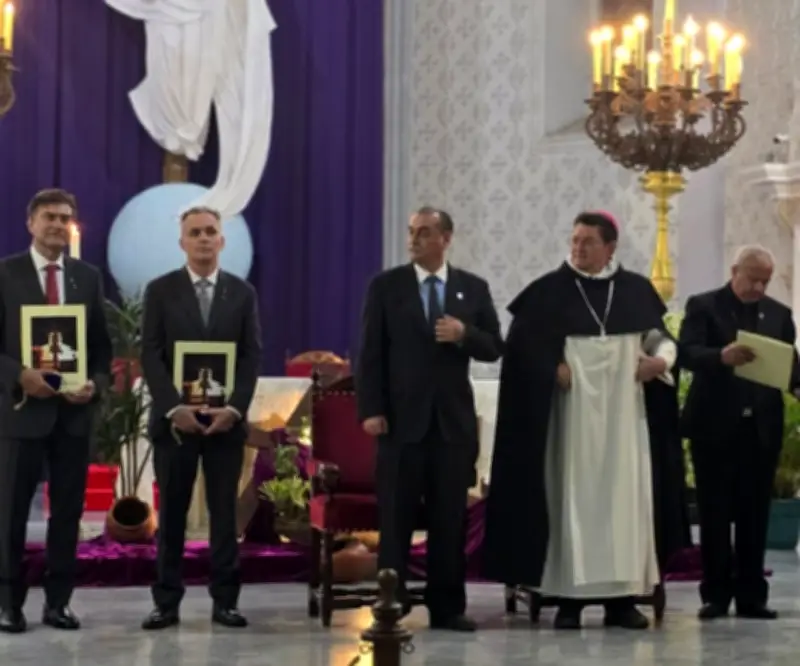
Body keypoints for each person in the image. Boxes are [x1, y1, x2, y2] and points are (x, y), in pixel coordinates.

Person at [482, 211, 689, 630]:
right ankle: (569, 600)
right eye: (575, 240)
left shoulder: (634, 290)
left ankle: (622, 600)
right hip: (570, 423)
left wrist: (660, 361)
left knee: (624, 503)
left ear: (610, 247)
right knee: (570, 500)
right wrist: (549, 367)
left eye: (588, 242)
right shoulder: (546, 292)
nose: (578, 247)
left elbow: (659, 338)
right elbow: (520, 349)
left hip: (624, 422)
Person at [355, 206, 503, 632]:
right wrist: (371, 410)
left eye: (424, 232)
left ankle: (447, 607)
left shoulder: (472, 289)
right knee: (396, 519)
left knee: (449, 520)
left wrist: (465, 335)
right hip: (400, 425)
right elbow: (370, 353)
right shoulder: (386, 287)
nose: (414, 240)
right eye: (411, 232)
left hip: (452, 427)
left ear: (446, 238)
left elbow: (495, 346)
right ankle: (390, 605)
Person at [139, 205, 261, 630]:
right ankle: (166, 602)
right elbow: (150, 353)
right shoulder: (160, 290)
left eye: (211, 231)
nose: (204, 239)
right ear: (183, 243)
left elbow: (251, 356)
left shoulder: (242, 293)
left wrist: (234, 408)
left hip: (225, 425)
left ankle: (225, 601)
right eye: (196, 233)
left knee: (224, 515)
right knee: (171, 514)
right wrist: (175, 407)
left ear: (222, 240)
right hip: (176, 426)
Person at [0, 188, 112, 633]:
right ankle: (8, 603)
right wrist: (18, 375)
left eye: (65, 218)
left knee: (67, 513)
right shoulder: (5, 274)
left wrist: (95, 384)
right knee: (9, 513)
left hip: (73, 416)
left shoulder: (88, 277)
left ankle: (59, 602)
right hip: (20, 412)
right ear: (30, 222)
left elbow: (102, 349)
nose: (57, 225)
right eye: (49, 217)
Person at [680, 245, 800, 621]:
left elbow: (790, 365)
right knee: (715, 515)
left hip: (761, 427)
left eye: (765, 281)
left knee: (754, 515)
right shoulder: (704, 306)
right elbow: (685, 352)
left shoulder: (779, 314)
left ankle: (752, 597)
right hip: (714, 427)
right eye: (753, 279)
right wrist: (721, 357)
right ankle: (715, 595)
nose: (759, 288)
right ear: (735, 270)